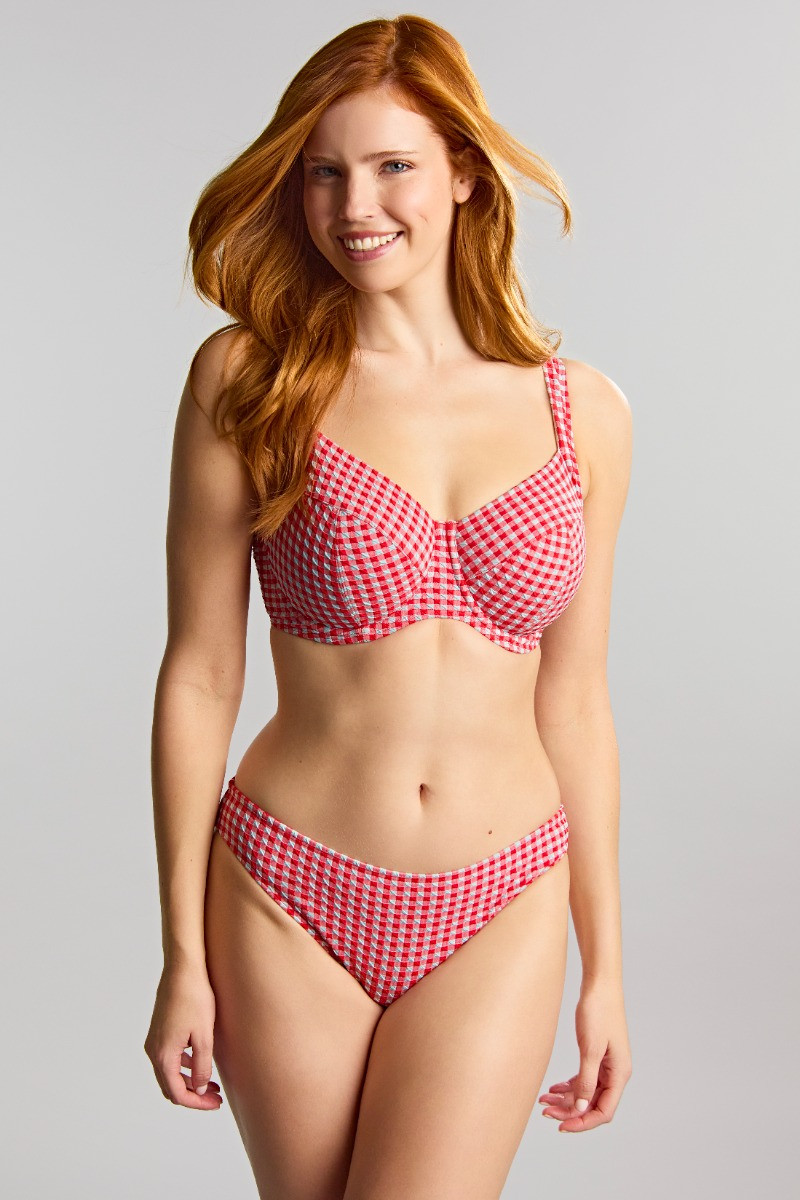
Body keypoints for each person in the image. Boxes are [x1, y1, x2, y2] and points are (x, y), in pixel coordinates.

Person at [144, 13, 633, 1198]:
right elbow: (199, 672)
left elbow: (574, 702)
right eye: (323, 173)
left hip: (501, 898)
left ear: (461, 172)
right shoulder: (248, 383)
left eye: (391, 166)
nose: (354, 205)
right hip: (286, 891)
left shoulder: (583, 413)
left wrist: (606, 967)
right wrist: (179, 956)